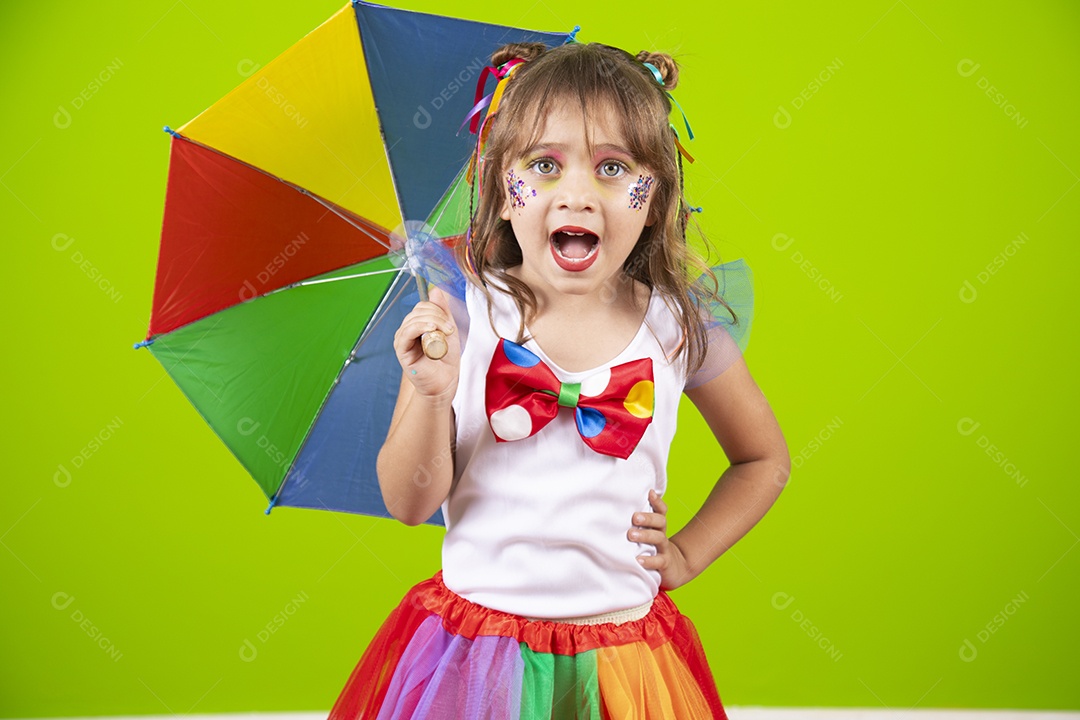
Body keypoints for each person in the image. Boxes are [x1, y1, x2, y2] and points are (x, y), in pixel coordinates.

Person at [328, 39, 789, 719]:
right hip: (474, 653)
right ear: (501, 190)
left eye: (613, 168)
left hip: (625, 658)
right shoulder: (461, 315)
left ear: (655, 198)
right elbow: (406, 501)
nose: (577, 193)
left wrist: (686, 555)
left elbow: (763, 459)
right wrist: (430, 394)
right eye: (544, 165)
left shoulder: (676, 326)